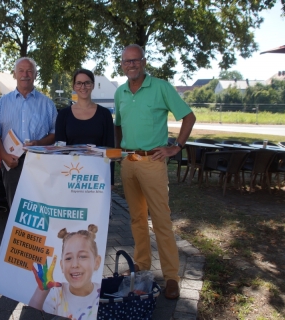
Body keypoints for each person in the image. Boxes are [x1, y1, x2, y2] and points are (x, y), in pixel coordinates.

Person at [114, 44, 196, 300]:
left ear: (143, 61)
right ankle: (142, 265)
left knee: (161, 220)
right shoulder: (120, 92)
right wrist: (119, 151)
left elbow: (189, 117)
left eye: (135, 60)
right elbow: (118, 124)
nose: (131, 65)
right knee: (137, 218)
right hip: (128, 163)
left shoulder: (160, 87)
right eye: (126, 61)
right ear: (122, 64)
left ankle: (171, 276)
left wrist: (176, 147)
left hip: (153, 162)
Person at [0, 57, 57, 208]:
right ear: (14, 74)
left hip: (40, 163)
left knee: (40, 208)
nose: (25, 74)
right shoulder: (2, 103)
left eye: (29, 71)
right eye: (21, 70)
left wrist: (39, 143)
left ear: (35, 75)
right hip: (13, 164)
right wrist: (4, 157)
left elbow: (55, 133)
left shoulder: (47, 104)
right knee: (15, 209)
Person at [55, 69, 115, 186]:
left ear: (92, 85)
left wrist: (110, 179)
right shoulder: (63, 115)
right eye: (79, 83)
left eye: (87, 83)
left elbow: (110, 149)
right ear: (74, 86)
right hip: (70, 175)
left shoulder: (104, 114)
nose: (83, 87)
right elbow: (60, 149)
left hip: (98, 175)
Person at [29, 224, 102, 319]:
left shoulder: (104, 294)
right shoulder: (56, 293)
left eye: (83, 256)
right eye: (68, 258)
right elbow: (31, 315)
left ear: (97, 262)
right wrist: (41, 290)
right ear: (62, 265)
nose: (75, 264)